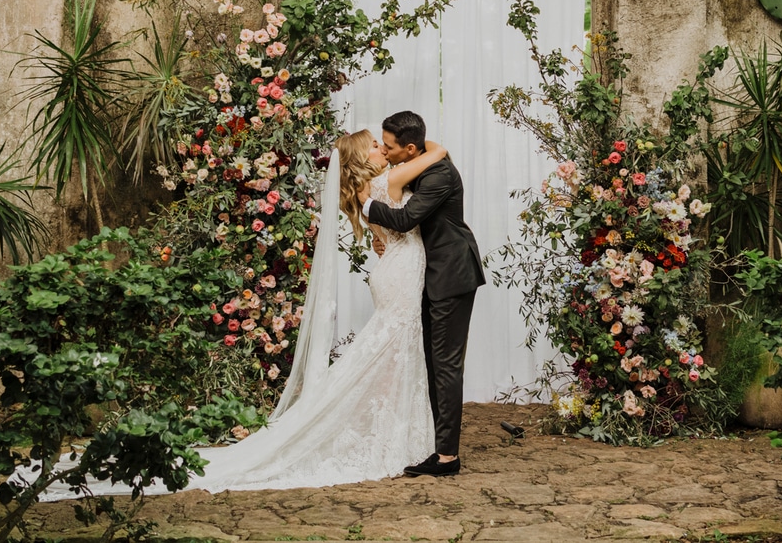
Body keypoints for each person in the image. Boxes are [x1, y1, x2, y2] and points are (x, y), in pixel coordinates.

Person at [29, 131, 446, 497]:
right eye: (375, 145)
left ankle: (390, 427)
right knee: (391, 350)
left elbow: (388, 231)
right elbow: (437, 151)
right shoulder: (384, 179)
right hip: (400, 275)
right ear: (361, 160)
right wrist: (411, 146)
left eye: (383, 144)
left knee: (390, 351)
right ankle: (389, 431)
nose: (382, 149)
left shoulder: (363, 192)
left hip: (392, 270)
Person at [360, 110, 485, 477]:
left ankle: (447, 458)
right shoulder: (422, 158)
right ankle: (433, 442)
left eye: (389, 146)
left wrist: (364, 202)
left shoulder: (439, 174)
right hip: (425, 274)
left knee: (445, 364)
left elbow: (404, 219)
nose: (384, 150)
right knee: (431, 361)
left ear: (410, 149)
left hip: (450, 275)